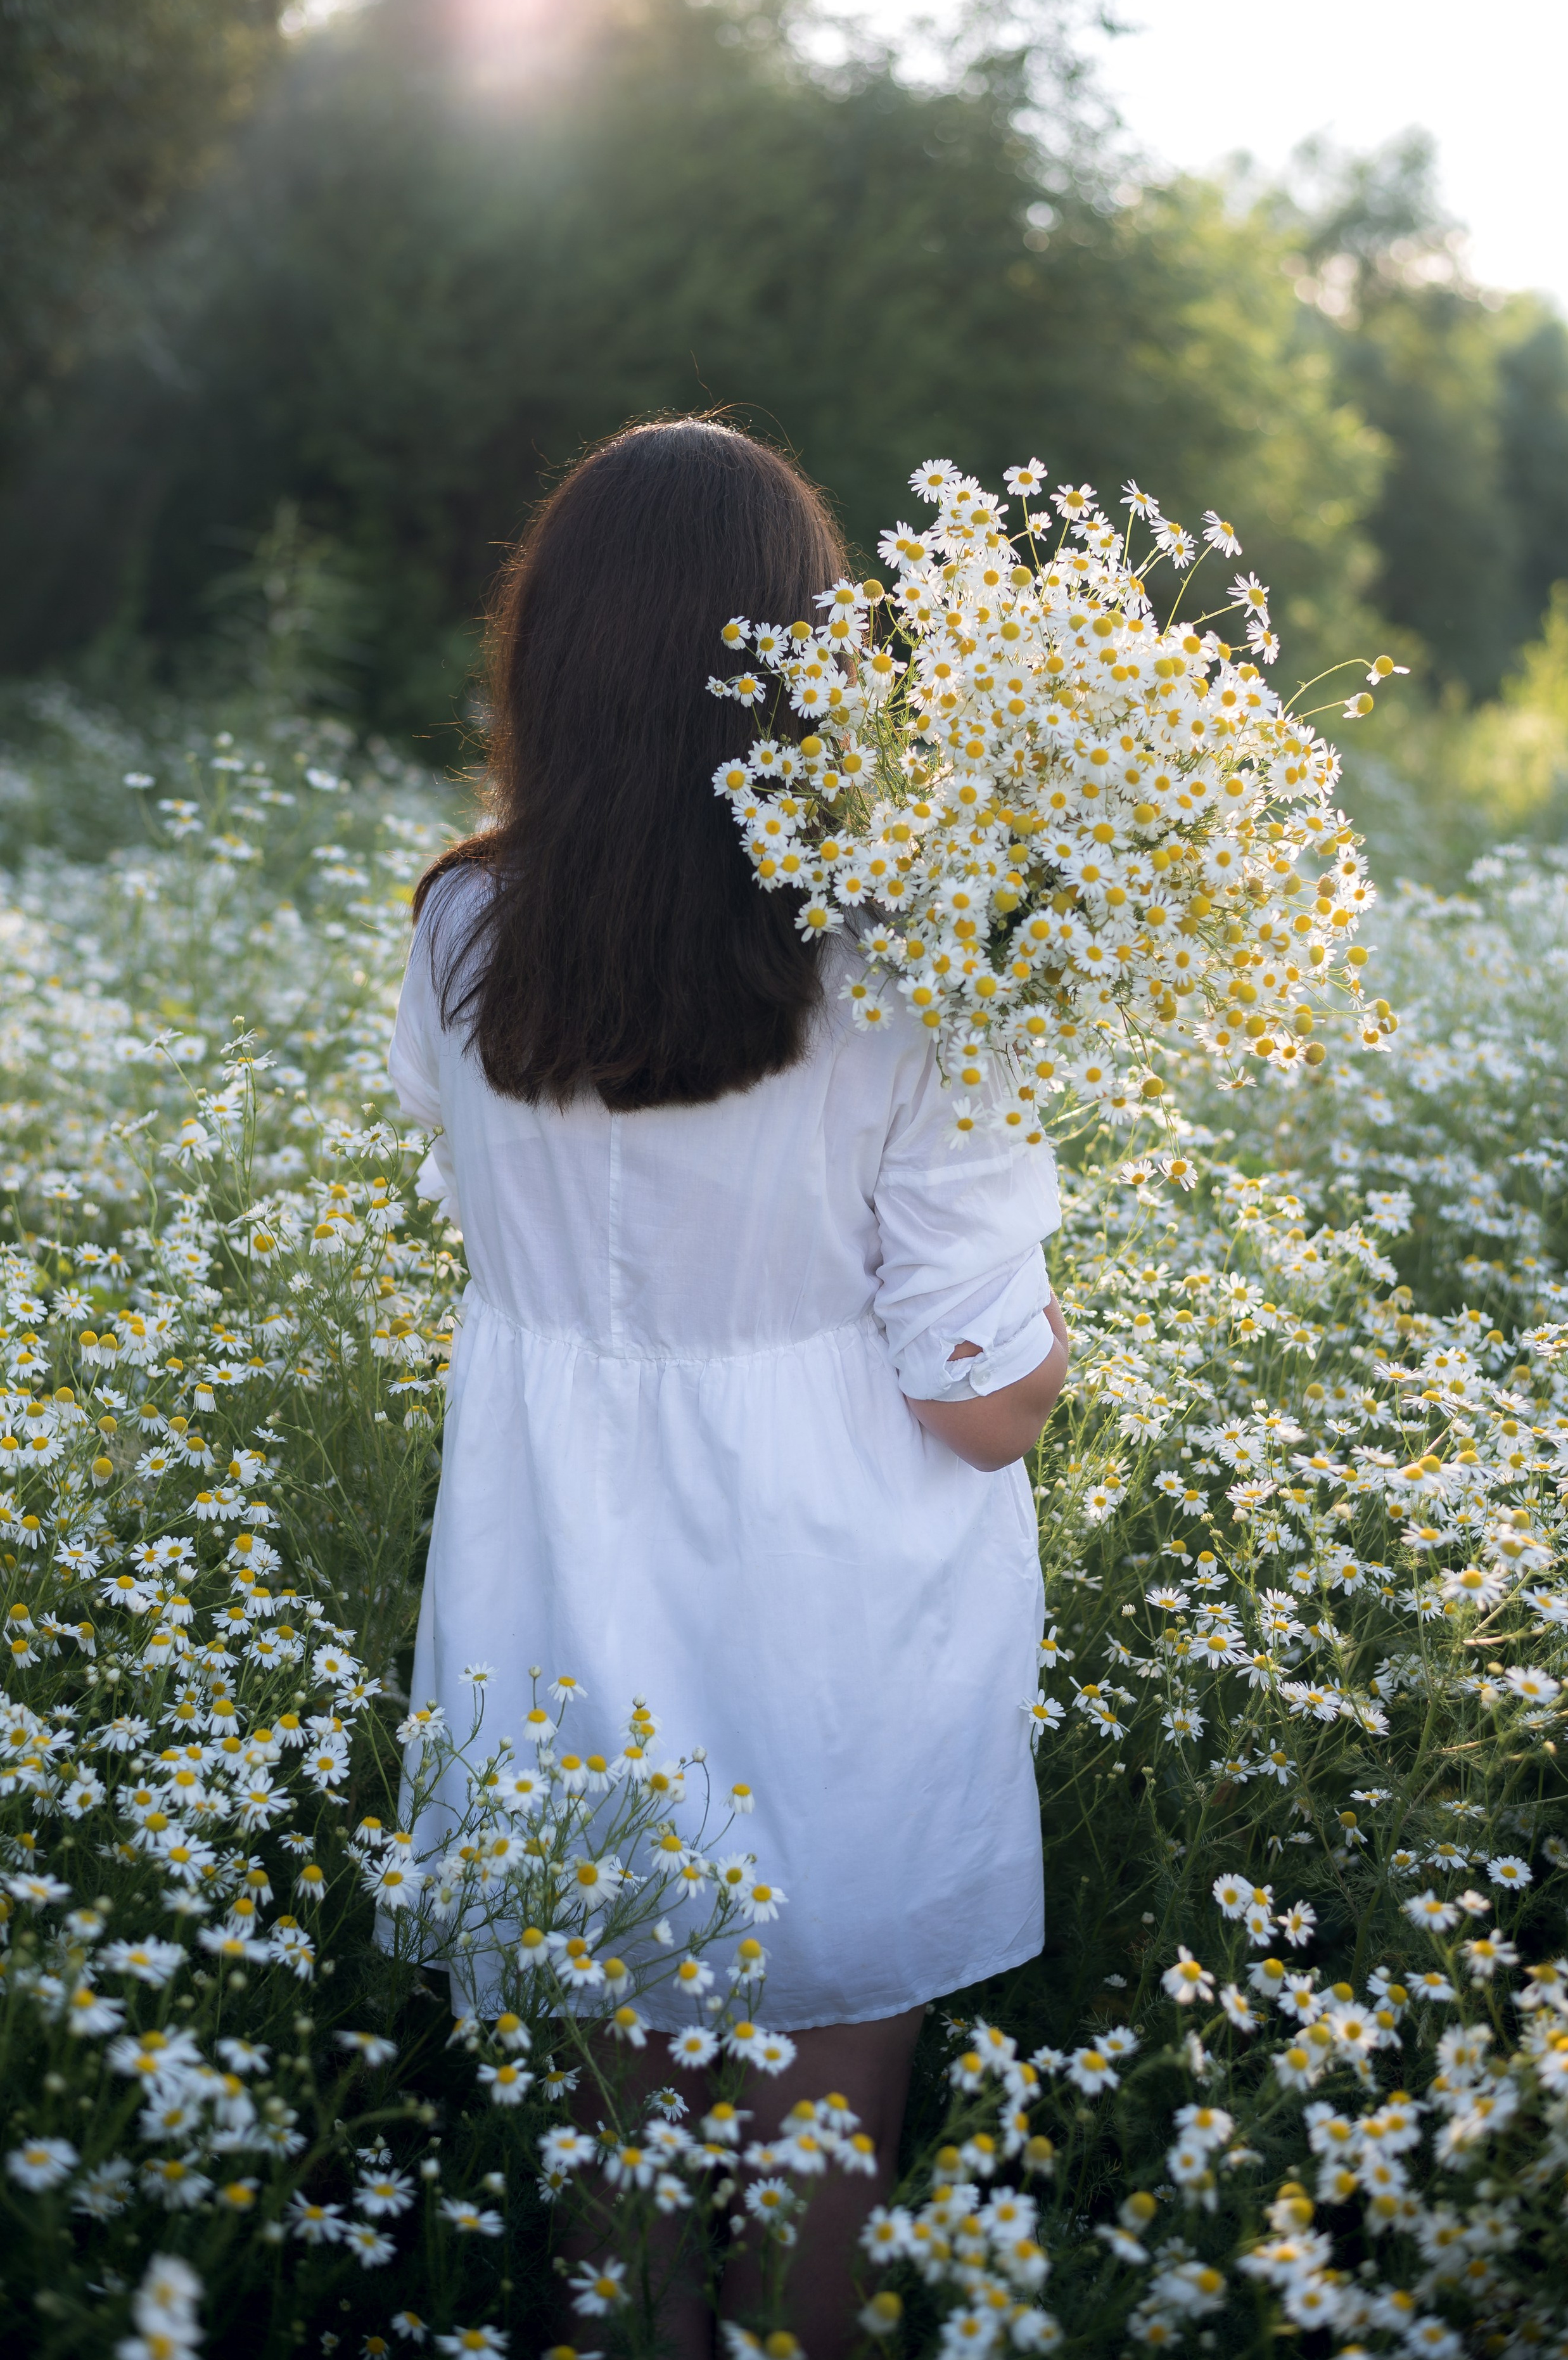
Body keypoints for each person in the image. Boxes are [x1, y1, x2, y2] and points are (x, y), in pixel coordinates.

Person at [388, 418, 1068, 2354]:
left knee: (627, 2210)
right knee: (805, 2236)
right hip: (836, 1628)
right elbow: (976, 1396)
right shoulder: (911, 954)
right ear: (810, 660)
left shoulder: (463, 930)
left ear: (552, 660)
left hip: (559, 1607)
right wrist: (1043, 1338)